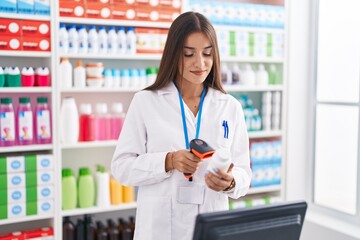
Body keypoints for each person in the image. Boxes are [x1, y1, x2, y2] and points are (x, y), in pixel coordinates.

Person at [111, 11, 252, 240]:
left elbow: (244, 171)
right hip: (160, 230)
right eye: (189, 54)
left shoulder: (229, 107)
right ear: (174, 54)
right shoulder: (146, 102)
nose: (200, 63)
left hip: (210, 227)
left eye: (207, 54)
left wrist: (231, 182)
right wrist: (168, 161)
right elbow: (121, 167)